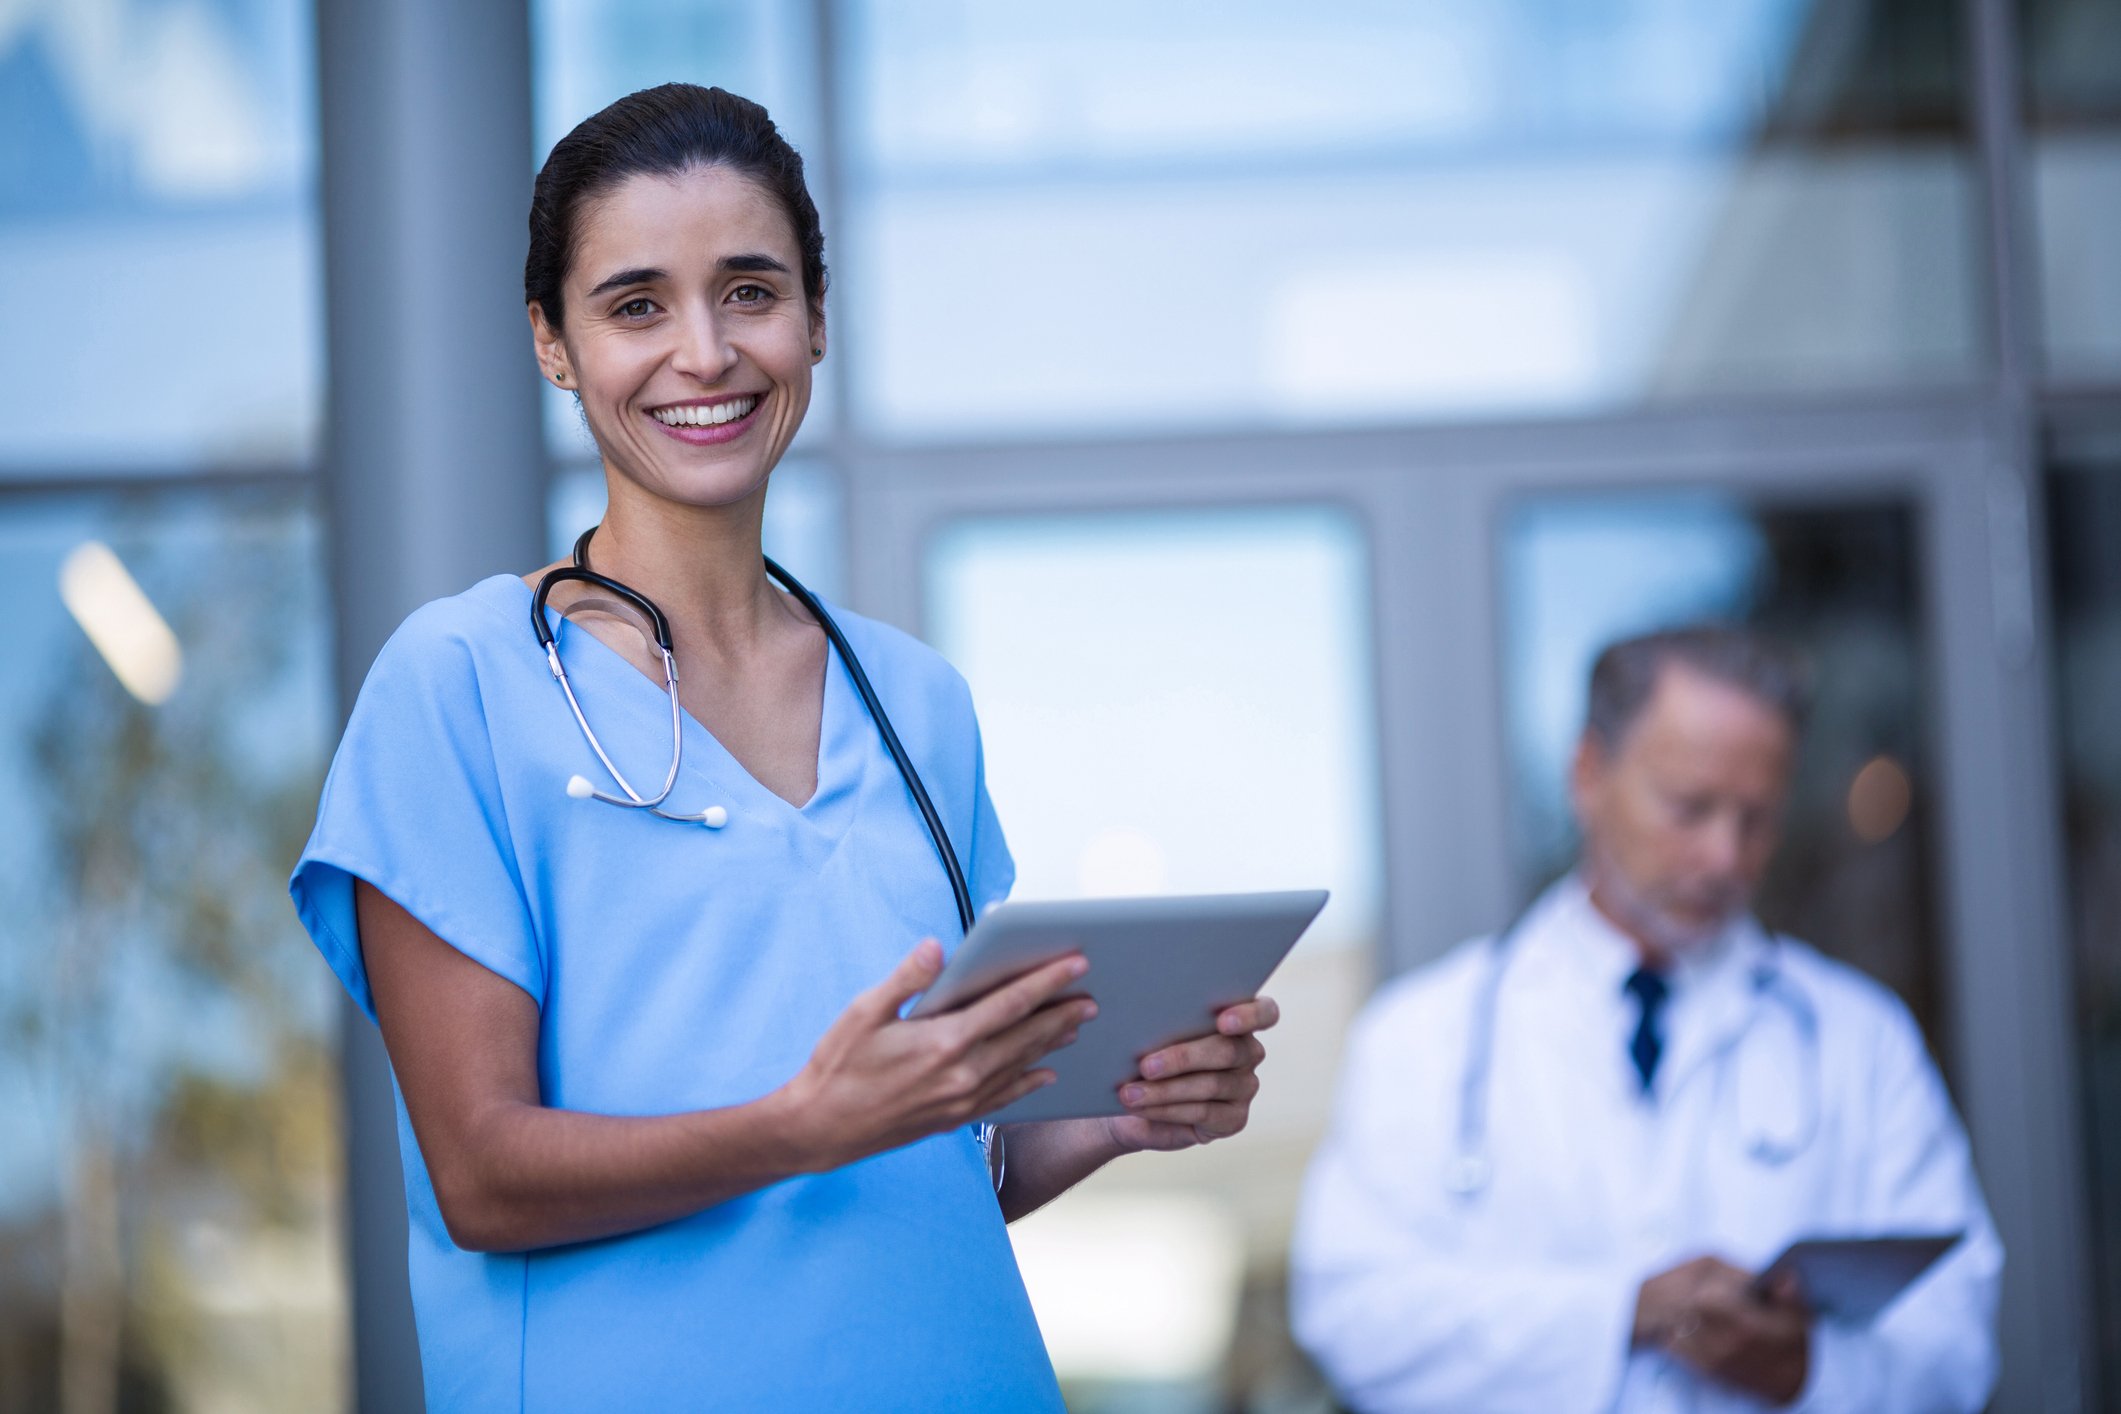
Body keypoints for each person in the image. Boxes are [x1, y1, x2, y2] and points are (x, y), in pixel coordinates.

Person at [289, 84, 1278, 1412]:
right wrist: (800, 1127)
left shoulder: (916, 701)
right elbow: (482, 1173)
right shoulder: (458, 685)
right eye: (636, 305)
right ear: (552, 342)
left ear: (816, 318)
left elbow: (949, 1145)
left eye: (749, 291)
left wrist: (1111, 1114)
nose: (703, 351)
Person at [1290, 626, 2000, 1413]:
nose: (1725, 857)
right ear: (1588, 774)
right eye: (1688, 808)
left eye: (1755, 818)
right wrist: (1624, 1311)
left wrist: (1808, 1374)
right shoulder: (1424, 1035)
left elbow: (1957, 1341)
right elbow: (1352, 1319)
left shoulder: (1859, 1040)